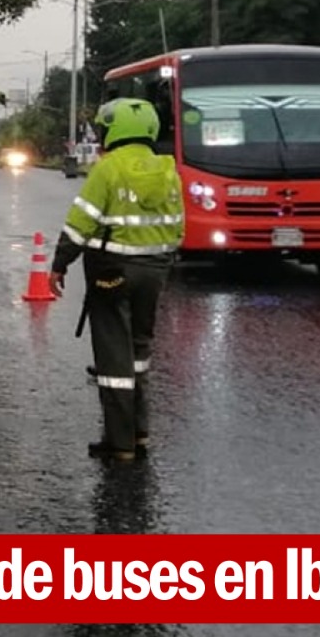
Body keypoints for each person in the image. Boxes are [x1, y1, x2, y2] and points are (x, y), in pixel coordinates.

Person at [47, 98, 185, 462]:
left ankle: (119, 443)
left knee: (113, 358)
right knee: (140, 352)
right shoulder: (168, 169)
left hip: (113, 273)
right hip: (155, 271)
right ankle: (140, 434)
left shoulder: (108, 170)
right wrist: (162, 262)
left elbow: (81, 223)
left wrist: (60, 264)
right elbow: (179, 227)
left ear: (115, 130)